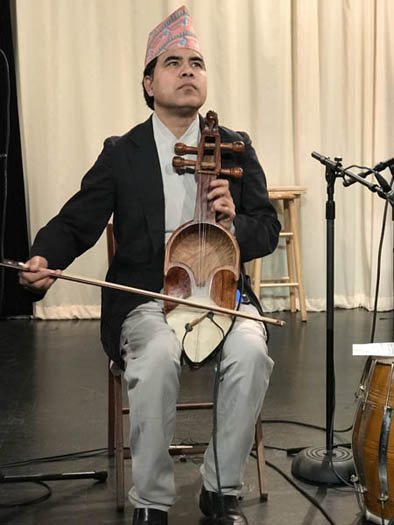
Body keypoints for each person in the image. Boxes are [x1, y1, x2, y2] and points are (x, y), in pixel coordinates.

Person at [19, 6, 280, 525]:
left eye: (197, 62)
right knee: (158, 354)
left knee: (252, 350)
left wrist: (233, 225)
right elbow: (78, 220)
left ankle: (221, 489)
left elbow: (266, 229)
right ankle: (152, 501)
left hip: (222, 294)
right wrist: (45, 257)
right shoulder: (125, 152)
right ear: (148, 81)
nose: (188, 70)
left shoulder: (235, 146)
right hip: (146, 297)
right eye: (174, 61)